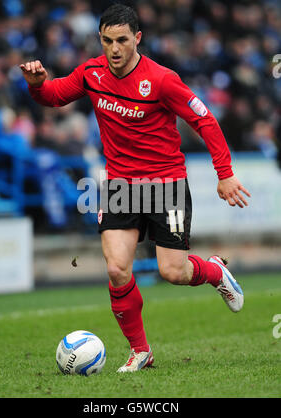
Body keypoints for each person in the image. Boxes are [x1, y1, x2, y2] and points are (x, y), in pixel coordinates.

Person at [20, 4, 251, 373]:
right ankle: (141, 351)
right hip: (120, 185)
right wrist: (36, 86)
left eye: (122, 40)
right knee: (116, 270)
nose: (114, 49)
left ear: (137, 38)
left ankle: (214, 272)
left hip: (165, 184)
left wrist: (225, 174)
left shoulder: (161, 80)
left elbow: (204, 120)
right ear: (100, 39)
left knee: (173, 272)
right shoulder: (91, 72)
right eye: (108, 40)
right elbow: (54, 95)